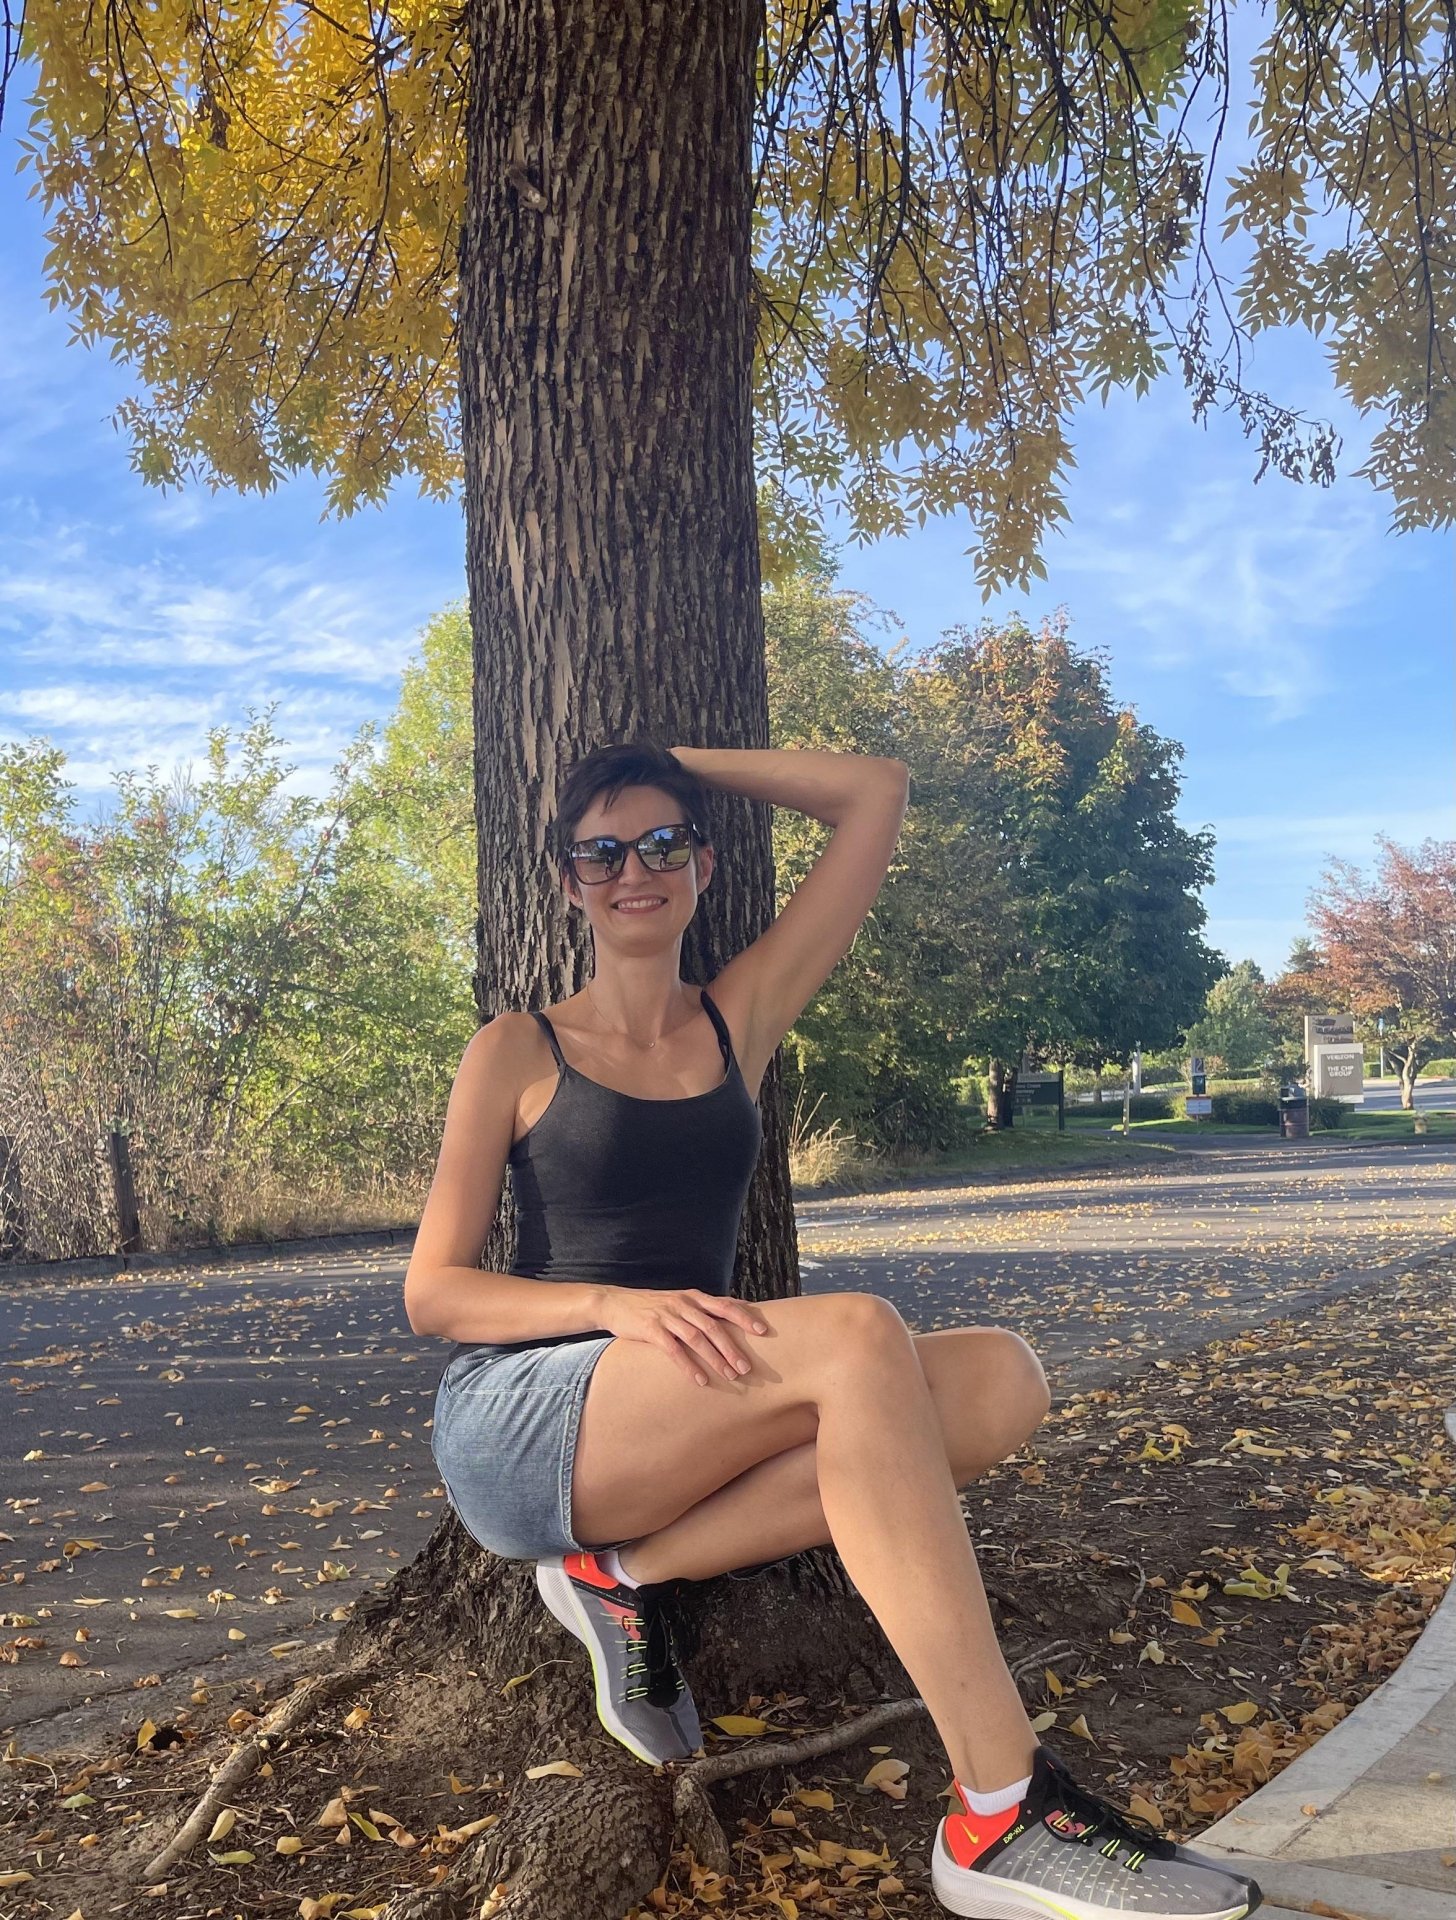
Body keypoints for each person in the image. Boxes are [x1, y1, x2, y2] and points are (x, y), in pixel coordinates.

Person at [405, 740, 1261, 1920]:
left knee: (998, 1381)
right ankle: (1001, 1808)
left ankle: (622, 1572)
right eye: (601, 853)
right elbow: (435, 1292)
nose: (633, 871)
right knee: (858, 1337)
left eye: (662, 843)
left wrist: (665, 756)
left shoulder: (735, 1020)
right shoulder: (518, 1046)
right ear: (568, 883)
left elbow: (873, 792)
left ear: (702, 865)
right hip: (528, 1416)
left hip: (683, 1401)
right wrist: (610, 1305)